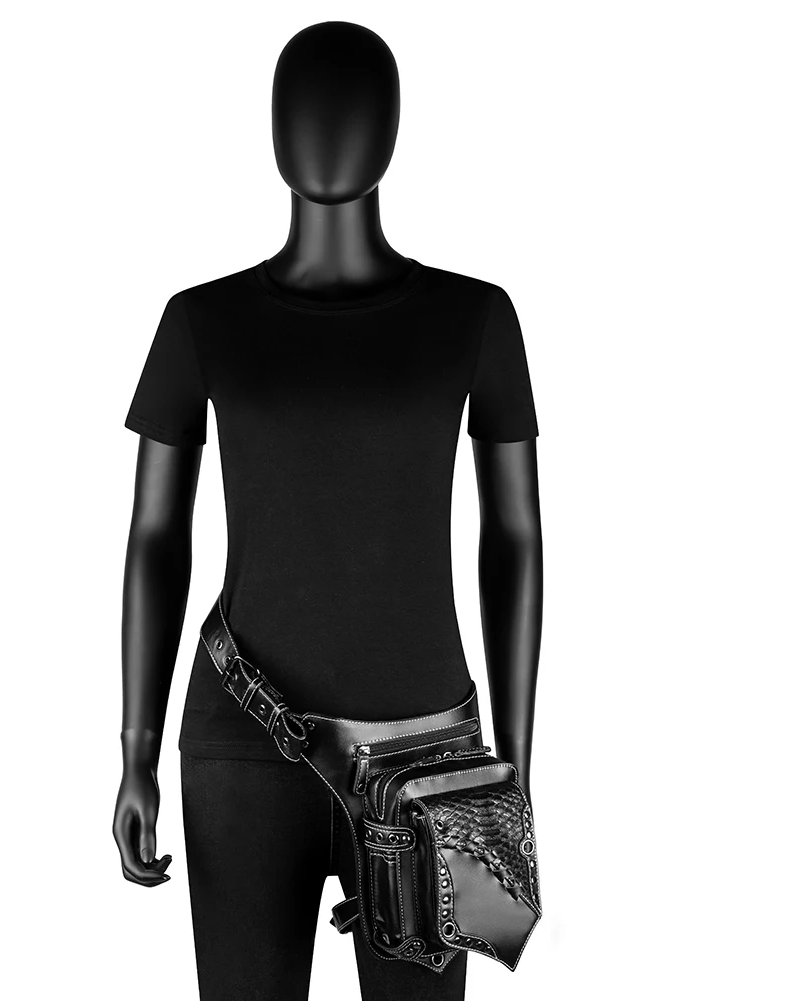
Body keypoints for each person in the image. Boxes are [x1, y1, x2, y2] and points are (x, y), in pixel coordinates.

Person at [112, 20, 543, 1001]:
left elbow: (515, 536)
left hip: (434, 757)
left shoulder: (476, 317)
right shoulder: (200, 320)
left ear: (390, 130)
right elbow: (153, 538)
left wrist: (512, 766)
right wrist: (135, 750)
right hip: (241, 741)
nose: (324, 130)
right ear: (271, 130)